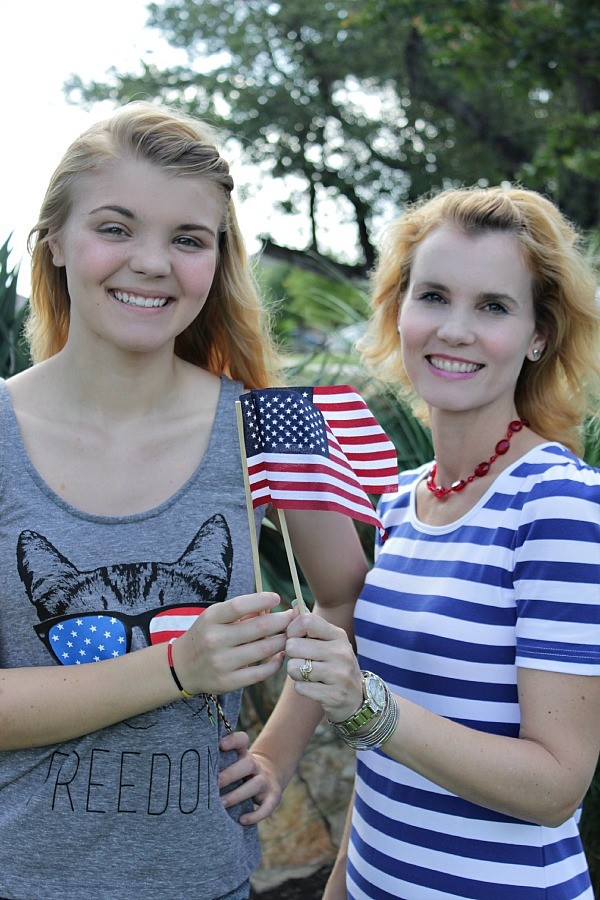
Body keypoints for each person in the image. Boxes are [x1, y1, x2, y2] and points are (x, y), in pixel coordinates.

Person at [0, 102, 368, 900]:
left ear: (217, 259)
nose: (152, 263)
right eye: (116, 227)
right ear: (55, 241)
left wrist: (276, 750)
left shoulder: (268, 422)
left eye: (188, 239)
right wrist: (176, 665)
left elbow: (339, 596)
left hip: (205, 881)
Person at [246, 186, 600, 899]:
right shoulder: (398, 502)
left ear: (538, 334)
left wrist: (367, 705)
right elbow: (389, 775)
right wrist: (341, 884)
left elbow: (555, 786)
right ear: (400, 310)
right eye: (433, 296)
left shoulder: (559, 502)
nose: (455, 329)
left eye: (493, 307)